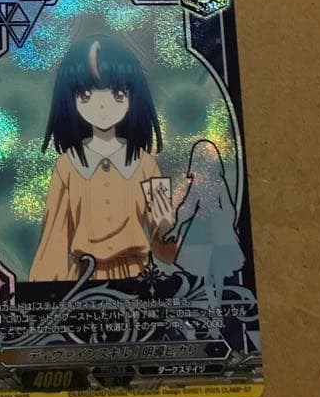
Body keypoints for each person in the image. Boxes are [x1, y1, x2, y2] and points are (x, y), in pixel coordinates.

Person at [30, 35, 176, 282]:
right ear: (71, 99)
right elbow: (54, 239)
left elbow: (166, 249)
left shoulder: (147, 164)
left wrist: (166, 231)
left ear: (132, 97)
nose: (102, 106)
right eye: (86, 94)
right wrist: (46, 293)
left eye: (117, 93)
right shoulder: (67, 165)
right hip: (85, 280)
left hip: (138, 277)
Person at [165, 139, 245, 305]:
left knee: (214, 269)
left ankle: (215, 301)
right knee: (210, 270)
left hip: (213, 228)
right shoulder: (203, 183)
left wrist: (229, 225)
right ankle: (213, 301)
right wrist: (176, 227)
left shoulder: (217, 183)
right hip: (205, 228)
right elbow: (188, 207)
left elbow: (227, 208)